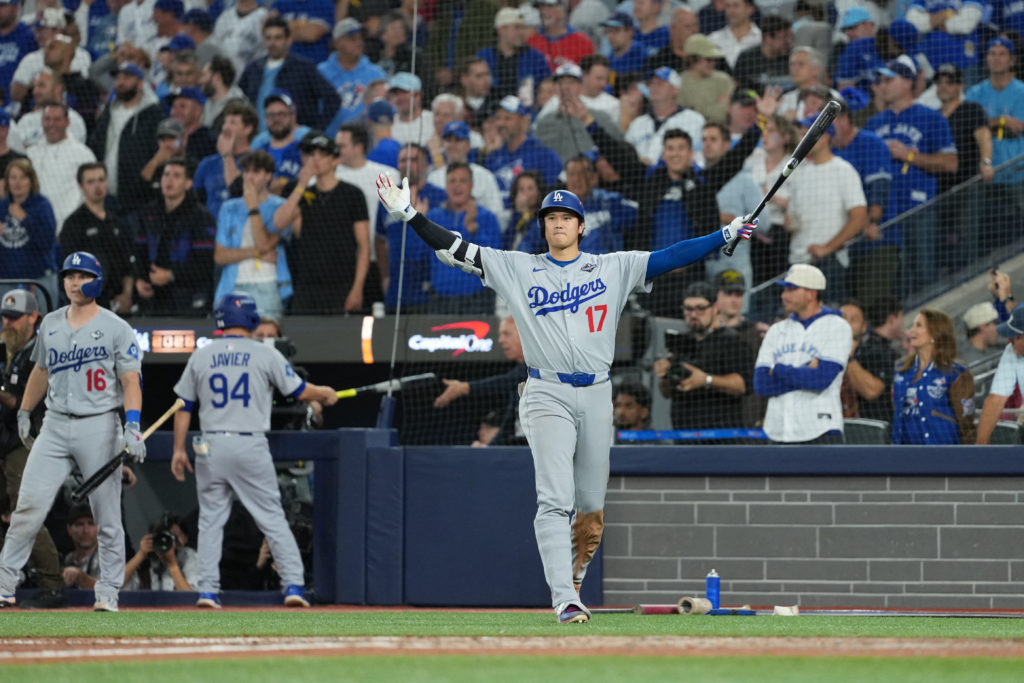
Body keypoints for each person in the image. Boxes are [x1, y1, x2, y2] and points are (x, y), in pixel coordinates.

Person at [376, 172, 756, 623]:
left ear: (581, 227)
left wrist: (725, 234)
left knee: (591, 508)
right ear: (543, 227)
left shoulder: (613, 266)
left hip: (597, 392)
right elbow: (457, 247)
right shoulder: (517, 266)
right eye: (550, 217)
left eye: (566, 217)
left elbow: (671, 256)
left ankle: (573, 581)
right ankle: (564, 598)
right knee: (554, 498)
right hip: (546, 390)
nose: (557, 223)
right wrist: (411, 215)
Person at [171, 292, 338, 608]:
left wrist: (179, 449)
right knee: (272, 518)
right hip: (248, 441)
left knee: (210, 520)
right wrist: (325, 393)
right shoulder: (265, 354)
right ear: (250, 319)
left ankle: (207, 591)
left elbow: (184, 405)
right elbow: (299, 391)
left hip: (209, 443)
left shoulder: (202, 355)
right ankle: (294, 587)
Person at [0, 252, 144, 612]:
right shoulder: (49, 322)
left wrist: (133, 423)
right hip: (55, 423)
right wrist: (24, 410)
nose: (74, 282)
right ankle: (4, 585)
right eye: (69, 276)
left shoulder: (116, 327)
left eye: (82, 276)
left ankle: (108, 592)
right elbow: (40, 372)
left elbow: (130, 380)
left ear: (96, 279)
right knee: (27, 509)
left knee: (107, 516)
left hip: (99, 424)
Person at [865, 55, 956, 296]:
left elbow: (951, 163)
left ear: (907, 82)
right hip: (883, 210)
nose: (882, 85)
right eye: (880, 81)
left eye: (889, 80)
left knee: (923, 275)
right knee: (890, 281)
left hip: (918, 208)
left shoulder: (931, 117)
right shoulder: (873, 123)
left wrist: (909, 156)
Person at [0, 290, 65, 608]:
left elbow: (16, 403)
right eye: (5, 317)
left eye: (14, 318)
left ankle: (52, 585)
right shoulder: (12, 350)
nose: (7, 323)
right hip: (9, 442)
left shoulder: (39, 352)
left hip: (30, 442)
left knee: (25, 513)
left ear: (33, 318)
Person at [754, 264, 853, 444]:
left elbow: (821, 380)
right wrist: (804, 372)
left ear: (811, 294)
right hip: (778, 431)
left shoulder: (837, 326)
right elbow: (761, 384)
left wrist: (778, 370)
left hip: (820, 431)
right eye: (785, 290)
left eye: (791, 289)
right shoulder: (776, 330)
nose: (784, 295)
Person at [273, 131, 369, 314]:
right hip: (306, 285)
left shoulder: (352, 194)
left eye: (322, 154)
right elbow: (279, 223)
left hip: (342, 284)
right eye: (309, 154)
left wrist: (357, 288)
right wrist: (302, 183)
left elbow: (364, 246)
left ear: (335, 160)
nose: (314, 159)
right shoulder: (299, 193)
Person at [654, 281, 751, 438]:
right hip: (683, 436)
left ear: (715, 308)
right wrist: (664, 375)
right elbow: (666, 393)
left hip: (721, 438)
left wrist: (706, 380)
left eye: (700, 308)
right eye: (688, 308)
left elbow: (742, 385)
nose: (693, 314)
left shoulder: (732, 340)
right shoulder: (679, 341)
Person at [213, 150, 293, 321]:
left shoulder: (281, 207)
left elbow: (264, 243)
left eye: (256, 172)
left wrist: (253, 208)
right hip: (233, 286)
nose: (249, 177)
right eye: (246, 171)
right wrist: (256, 253)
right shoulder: (229, 208)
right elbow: (220, 256)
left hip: (268, 285)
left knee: (267, 340)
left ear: (269, 176)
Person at [131, 159, 217, 315]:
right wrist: (140, 279)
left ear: (188, 183)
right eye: (166, 175)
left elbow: (205, 263)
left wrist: (171, 275)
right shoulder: (149, 213)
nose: (169, 180)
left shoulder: (201, 217)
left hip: (188, 299)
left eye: (176, 176)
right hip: (153, 299)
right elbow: (139, 252)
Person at [86, 61, 163, 217]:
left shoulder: (154, 115)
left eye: (127, 77)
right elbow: (96, 145)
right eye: (118, 78)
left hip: (139, 200)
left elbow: (157, 153)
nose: (120, 82)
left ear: (141, 83)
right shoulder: (109, 111)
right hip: (105, 195)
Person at [237, 15, 339, 133]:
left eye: (278, 38)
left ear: (289, 40)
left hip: (293, 142)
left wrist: (314, 131)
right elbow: (239, 99)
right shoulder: (253, 69)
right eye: (268, 38)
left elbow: (332, 99)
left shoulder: (303, 68)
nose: (272, 43)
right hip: (259, 141)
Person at [425, 162, 502, 314]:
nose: (457, 186)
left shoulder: (487, 218)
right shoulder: (433, 217)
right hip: (440, 301)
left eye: (463, 181)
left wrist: (473, 228)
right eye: (452, 181)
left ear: (471, 185)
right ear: (446, 186)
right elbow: (415, 256)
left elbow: (495, 261)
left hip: (477, 301)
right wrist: (413, 221)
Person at [935, 63, 991, 271]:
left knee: (966, 234)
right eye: (939, 82)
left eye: (949, 82)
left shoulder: (971, 109)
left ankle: (968, 274)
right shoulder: (934, 115)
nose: (943, 87)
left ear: (960, 86)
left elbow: (984, 137)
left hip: (968, 183)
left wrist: (986, 163)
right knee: (943, 237)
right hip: (940, 189)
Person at [59, 162, 135, 313]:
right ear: (81, 186)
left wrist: (127, 296)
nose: (97, 186)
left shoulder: (118, 221)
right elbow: (70, 272)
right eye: (91, 182)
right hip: (88, 305)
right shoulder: (73, 224)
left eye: (101, 180)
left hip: (119, 303)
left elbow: (128, 265)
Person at [892, 309, 976, 445]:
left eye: (918, 325)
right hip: (904, 456)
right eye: (912, 325)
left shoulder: (956, 373)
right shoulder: (901, 370)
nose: (911, 330)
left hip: (944, 456)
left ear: (935, 333)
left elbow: (966, 423)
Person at [26, 102, 97, 230]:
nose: (51, 124)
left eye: (57, 119)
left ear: (67, 122)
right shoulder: (31, 154)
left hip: (70, 228)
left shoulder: (83, 154)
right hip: (36, 227)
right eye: (47, 119)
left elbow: (92, 193)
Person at [317, 17, 386, 135]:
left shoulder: (376, 74)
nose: (359, 43)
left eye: (361, 38)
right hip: (329, 140)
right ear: (337, 42)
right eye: (352, 38)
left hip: (365, 143)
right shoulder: (321, 72)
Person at [624, 66, 705, 167]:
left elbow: (699, 159)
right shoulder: (637, 124)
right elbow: (626, 158)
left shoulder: (694, 120)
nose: (654, 87)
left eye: (660, 83)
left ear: (675, 90)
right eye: (651, 83)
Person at [840, 298, 899, 424]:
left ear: (864, 327)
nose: (846, 323)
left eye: (854, 320)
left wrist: (847, 356)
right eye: (843, 317)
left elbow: (871, 391)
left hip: (871, 431)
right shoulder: (822, 353)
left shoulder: (878, 353)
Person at [0, 158, 57, 283]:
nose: (17, 182)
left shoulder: (42, 205)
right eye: (13, 177)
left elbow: (46, 243)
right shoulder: (2, 206)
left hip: (39, 279)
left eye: (23, 177)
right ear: (7, 182)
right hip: (5, 281)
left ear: (31, 181)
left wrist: (24, 219)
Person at [477, 7, 550, 101]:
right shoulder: (484, 56)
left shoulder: (535, 57)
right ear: (501, 30)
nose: (521, 32)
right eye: (516, 28)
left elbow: (548, 87)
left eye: (523, 28)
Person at [976, 306, 1024, 444]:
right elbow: (995, 400)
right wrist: (979, 447)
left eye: (1015, 337)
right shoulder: (1012, 351)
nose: (1009, 341)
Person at [123, 513, 198, 590]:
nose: (166, 542)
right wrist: (140, 555)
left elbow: (191, 598)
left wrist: (172, 564)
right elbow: (116, 586)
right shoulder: (147, 563)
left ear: (185, 537)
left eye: (174, 536)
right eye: (162, 537)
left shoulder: (190, 558)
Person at [677, 34, 734, 124]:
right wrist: (717, 107)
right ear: (692, 59)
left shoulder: (724, 80)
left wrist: (696, 109)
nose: (713, 63)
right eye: (708, 59)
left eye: (714, 59)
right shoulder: (679, 83)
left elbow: (724, 114)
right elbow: (683, 118)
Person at [528, 0, 595, 71]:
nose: (543, 12)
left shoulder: (582, 42)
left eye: (549, 7)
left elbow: (589, 74)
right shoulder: (531, 42)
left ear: (562, 11)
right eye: (540, 7)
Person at [707, 0, 761, 70]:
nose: (730, 11)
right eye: (728, 6)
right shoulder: (712, 39)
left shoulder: (761, 39)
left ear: (750, 9)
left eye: (736, 6)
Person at [61, 503, 99, 590]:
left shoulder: (109, 560)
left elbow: (110, 591)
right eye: (79, 524)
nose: (85, 530)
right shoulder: (68, 559)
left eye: (91, 524)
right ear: (69, 529)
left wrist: (80, 576)